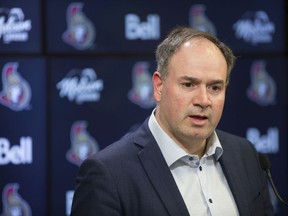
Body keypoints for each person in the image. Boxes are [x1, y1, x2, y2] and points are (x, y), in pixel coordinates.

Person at [70, 26, 274, 216]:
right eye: (189, 84)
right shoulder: (107, 174)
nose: (203, 100)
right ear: (159, 86)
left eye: (215, 88)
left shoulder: (245, 155)